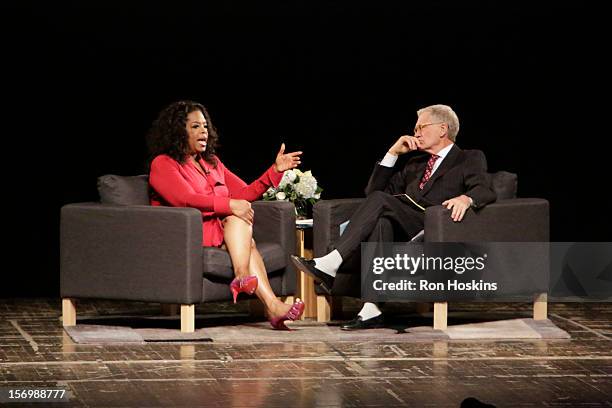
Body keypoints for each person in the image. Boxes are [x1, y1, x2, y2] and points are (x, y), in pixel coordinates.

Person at [292, 104, 497, 330]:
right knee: (381, 221)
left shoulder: (468, 158)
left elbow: (484, 189)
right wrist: (392, 154)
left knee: (382, 203)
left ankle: (332, 262)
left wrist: (466, 199)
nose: (415, 133)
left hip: (434, 225)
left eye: (421, 127)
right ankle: (372, 308)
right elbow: (371, 195)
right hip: (403, 224)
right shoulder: (415, 163)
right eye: (415, 128)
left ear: (442, 129)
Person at [147, 100, 305, 330]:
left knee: (242, 228)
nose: (204, 132)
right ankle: (267, 302)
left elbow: (243, 193)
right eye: (195, 127)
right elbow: (184, 199)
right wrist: (230, 206)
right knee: (240, 224)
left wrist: (274, 171)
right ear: (178, 132)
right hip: (186, 234)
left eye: (205, 126)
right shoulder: (163, 164)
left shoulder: (212, 162)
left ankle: (258, 292)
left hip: (217, 232)